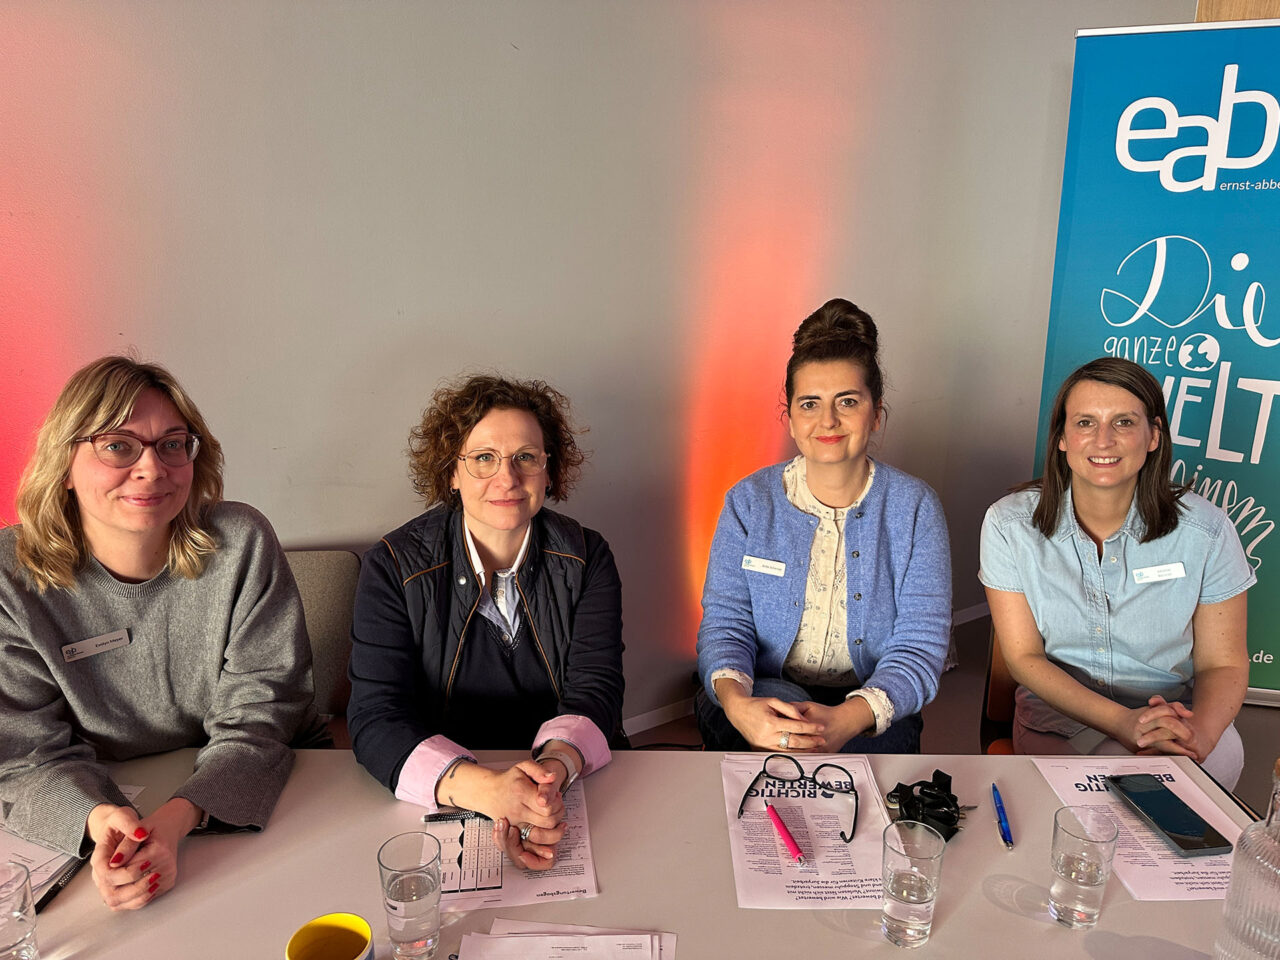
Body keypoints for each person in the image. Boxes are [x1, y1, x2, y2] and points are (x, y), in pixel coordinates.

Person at [0, 356, 323, 911]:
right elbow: (23, 750)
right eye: (119, 446)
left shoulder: (241, 541)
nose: (152, 469)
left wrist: (176, 819)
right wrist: (99, 819)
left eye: (173, 444)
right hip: (102, 788)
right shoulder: (11, 576)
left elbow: (263, 713)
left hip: (243, 787)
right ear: (64, 460)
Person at [348, 374, 624, 870]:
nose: (507, 479)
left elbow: (596, 690)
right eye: (483, 458)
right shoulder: (391, 565)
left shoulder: (589, 556)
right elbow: (375, 716)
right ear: (451, 473)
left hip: (564, 789)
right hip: (443, 794)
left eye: (526, 457)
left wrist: (546, 782)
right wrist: (488, 791)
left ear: (548, 470)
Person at [980, 357, 1253, 788]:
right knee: (1119, 791)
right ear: (1063, 439)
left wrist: (1200, 732)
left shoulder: (1208, 532)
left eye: (1124, 422)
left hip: (1173, 717)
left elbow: (1224, 663)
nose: (1103, 440)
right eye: (1085, 422)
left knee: (1213, 767)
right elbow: (1023, 658)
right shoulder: (1008, 525)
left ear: (1153, 437)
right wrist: (1124, 723)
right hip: (1060, 723)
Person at [696, 299, 952, 754]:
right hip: (767, 688)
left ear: (876, 414)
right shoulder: (748, 502)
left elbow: (920, 646)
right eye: (810, 404)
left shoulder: (915, 508)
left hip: (874, 697)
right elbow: (726, 623)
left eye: (847, 402)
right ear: (790, 419)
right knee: (784, 760)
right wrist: (737, 706)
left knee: (863, 801)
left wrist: (850, 717)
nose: (828, 420)